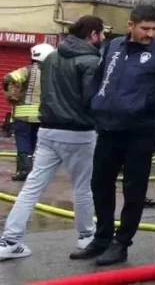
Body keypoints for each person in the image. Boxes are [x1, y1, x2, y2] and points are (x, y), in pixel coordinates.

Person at [72, 5, 155, 266]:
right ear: (131, 26)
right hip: (107, 126)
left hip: (140, 130)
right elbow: (101, 75)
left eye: (154, 28)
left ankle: (121, 243)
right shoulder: (114, 45)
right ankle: (102, 238)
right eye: (145, 28)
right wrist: (94, 101)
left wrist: (144, 106)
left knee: (133, 189)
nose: (150, 33)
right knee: (100, 184)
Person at [0, 16, 105, 260]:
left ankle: (9, 240)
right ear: (92, 34)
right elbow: (92, 100)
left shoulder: (52, 58)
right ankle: (86, 237)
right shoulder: (91, 61)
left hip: (48, 130)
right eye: (101, 34)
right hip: (80, 133)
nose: (102, 39)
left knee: (31, 187)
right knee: (82, 189)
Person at [3, 43, 55, 181]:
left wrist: (9, 95)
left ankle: (24, 170)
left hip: (23, 115)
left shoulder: (27, 70)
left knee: (23, 142)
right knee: (34, 143)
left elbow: (7, 78)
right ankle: (34, 171)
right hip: (42, 116)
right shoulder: (53, 73)